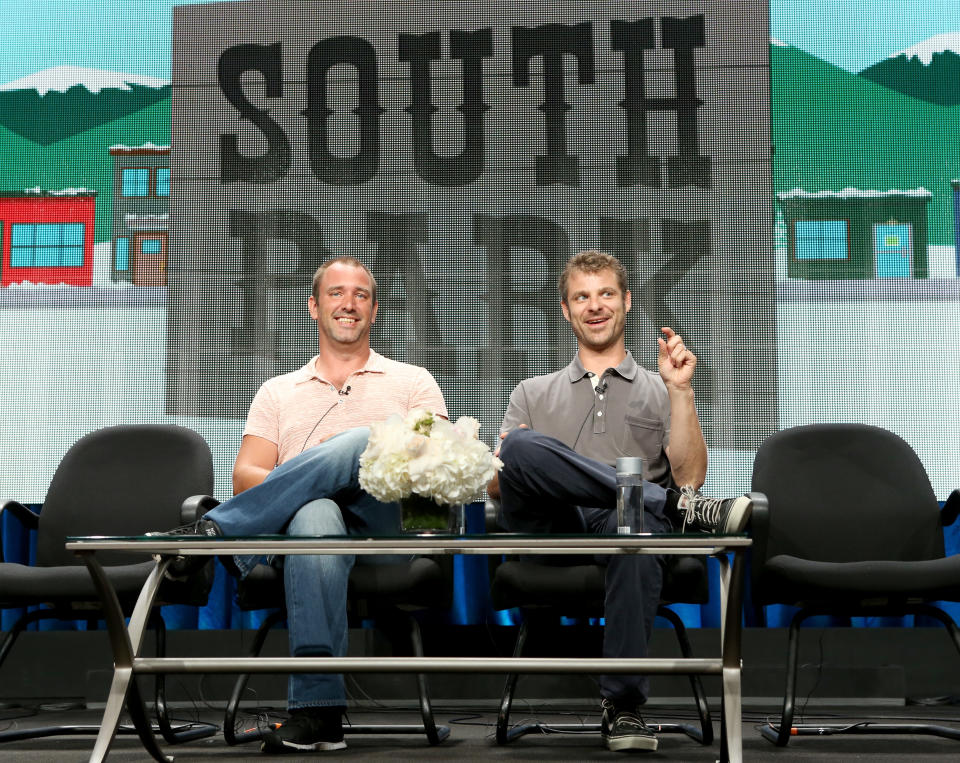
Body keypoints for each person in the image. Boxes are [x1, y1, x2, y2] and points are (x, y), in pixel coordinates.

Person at [167, 256, 447, 754]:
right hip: (305, 531)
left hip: (383, 523)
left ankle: (215, 536)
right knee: (315, 512)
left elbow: (435, 465)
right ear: (313, 307)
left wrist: (346, 456)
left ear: (375, 311)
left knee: (362, 438)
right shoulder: (278, 391)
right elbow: (245, 474)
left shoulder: (412, 382)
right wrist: (313, 483)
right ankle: (318, 713)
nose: (349, 303)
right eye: (336, 293)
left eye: (360, 295)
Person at [486, 249, 752, 753]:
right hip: (551, 530)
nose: (595, 305)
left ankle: (624, 707)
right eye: (582, 297)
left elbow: (690, 476)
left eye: (606, 293)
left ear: (626, 302)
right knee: (519, 446)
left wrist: (682, 392)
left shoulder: (660, 388)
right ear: (566, 310)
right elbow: (500, 485)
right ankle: (665, 506)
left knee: (638, 529)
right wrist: (505, 466)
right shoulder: (531, 391)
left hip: (627, 526)